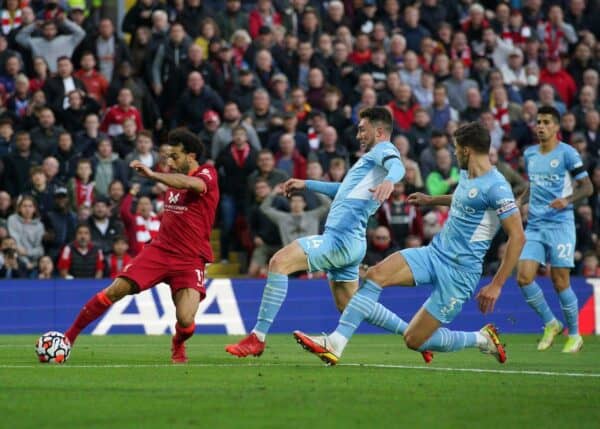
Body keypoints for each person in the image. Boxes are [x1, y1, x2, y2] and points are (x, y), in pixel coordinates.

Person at [294, 122, 525, 365]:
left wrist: (497, 285)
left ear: (466, 150)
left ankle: (481, 339)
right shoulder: (468, 174)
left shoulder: (498, 188)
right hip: (434, 254)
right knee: (375, 275)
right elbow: (465, 198)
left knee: (414, 339)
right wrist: (431, 200)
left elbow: (518, 237)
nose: (455, 154)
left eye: (457, 149)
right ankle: (336, 342)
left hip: (460, 273)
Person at [225, 106, 408, 358]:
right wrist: (306, 184)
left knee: (279, 262)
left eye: (362, 130)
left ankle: (257, 337)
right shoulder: (369, 163)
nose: (358, 136)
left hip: (340, 240)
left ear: (378, 131)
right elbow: (343, 190)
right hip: (351, 242)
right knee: (349, 306)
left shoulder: (384, 151)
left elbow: (398, 166)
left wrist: (391, 180)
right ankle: (413, 333)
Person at [62, 129, 219, 364]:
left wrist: (153, 174)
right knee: (114, 290)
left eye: (175, 156)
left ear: (191, 155)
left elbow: (191, 184)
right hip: (159, 251)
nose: (169, 161)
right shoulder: (173, 178)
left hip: (190, 258)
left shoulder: (207, 173)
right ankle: (67, 339)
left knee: (186, 320)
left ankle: (178, 342)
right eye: (167, 156)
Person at [516, 106, 594, 353]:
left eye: (546, 122)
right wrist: (521, 200)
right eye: (538, 122)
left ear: (557, 127)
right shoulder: (530, 154)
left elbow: (588, 187)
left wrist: (567, 200)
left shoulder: (568, 154)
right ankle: (551, 323)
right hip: (536, 226)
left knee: (560, 281)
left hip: (561, 225)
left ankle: (575, 334)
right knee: (523, 277)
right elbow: (534, 185)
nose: (540, 126)